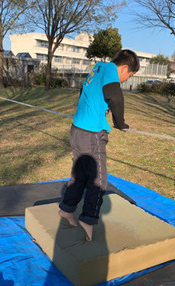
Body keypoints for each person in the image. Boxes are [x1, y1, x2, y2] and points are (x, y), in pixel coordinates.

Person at [58, 49, 140, 241]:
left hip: (77, 128)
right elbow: (115, 95)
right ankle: (88, 218)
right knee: (99, 180)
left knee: (79, 175)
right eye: (129, 76)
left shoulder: (98, 67)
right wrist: (120, 123)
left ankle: (67, 209)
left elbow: (84, 91)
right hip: (92, 134)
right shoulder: (111, 69)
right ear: (125, 68)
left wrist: (96, 109)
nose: (126, 80)